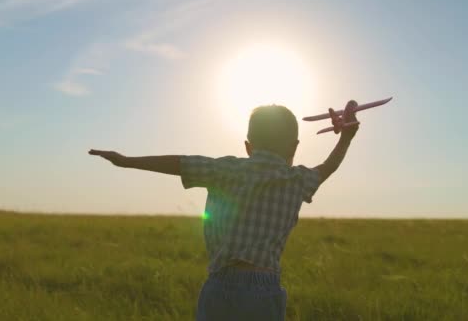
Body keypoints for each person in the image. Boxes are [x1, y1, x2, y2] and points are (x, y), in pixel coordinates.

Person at [89, 100, 360, 320]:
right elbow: (328, 167)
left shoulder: (225, 169)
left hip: (219, 284)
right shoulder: (298, 180)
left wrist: (126, 161)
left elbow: (178, 163)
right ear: (295, 147)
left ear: (248, 146)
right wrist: (345, 138)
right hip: (263, 291)